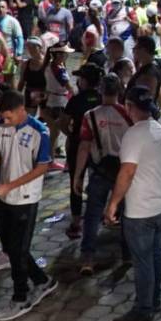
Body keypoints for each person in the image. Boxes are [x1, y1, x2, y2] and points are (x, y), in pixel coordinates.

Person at [105, 86, 161, 321]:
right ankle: (154, 300)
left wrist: (113, 203)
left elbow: (127, 172)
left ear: (130, 107)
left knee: (143, 260)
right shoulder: (159, 129)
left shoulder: (134, 134)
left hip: (141, 210)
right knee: (156, 254)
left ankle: (143, 308)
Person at [0, 90, 58, 321]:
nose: (5, 122)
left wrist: (11, 185)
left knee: (18, 251)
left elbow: (42, 167)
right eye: (3, 118)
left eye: (9, 117)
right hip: (2, 196)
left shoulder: (39, 131)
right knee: (12, 249)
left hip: (26, 198)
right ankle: (43, 281)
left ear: (22, 110)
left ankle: (21, 297)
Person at [74, 75, 132, 275]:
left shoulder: (90, 116)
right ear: (120, 91)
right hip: (123, 171)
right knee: (126, 213)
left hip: (99, 170)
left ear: (100, 91)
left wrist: (77, 176)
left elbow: (84, 147)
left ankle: (88, 258)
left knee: (91, 215)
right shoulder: (128, 114)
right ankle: (127, 254)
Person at [62, 64, 104, 239]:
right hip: (99, 148)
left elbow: (62, 122)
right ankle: (101, 215)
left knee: (76, 183)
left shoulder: (76, 100)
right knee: (99, 182)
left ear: (85, 81)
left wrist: (71, 135)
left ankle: (76, 222)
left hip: (78, 146)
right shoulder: (102, 98)